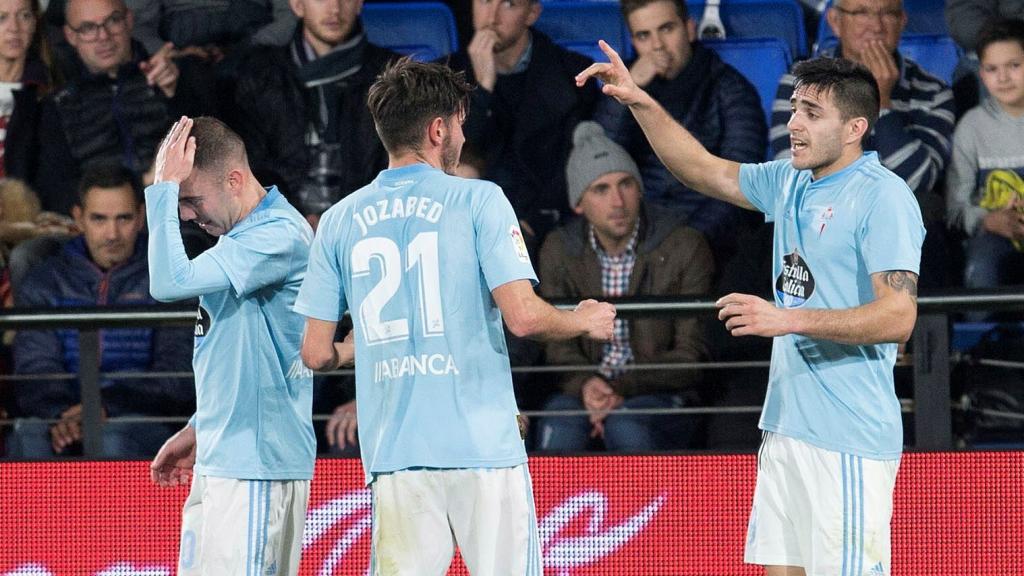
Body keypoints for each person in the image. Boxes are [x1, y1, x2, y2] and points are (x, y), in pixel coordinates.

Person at [578, 45, 923, 575]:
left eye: (812, 114)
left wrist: (787, 319)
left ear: (855, 127)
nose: (794, 125)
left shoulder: (884, 197)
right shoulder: (788, 182)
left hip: (849, 437)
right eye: (794, 110)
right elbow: (702, 171)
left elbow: (898, 316)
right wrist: (640, 102)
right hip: (787, 428)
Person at [295, 58, 615, 575]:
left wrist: (361, 347)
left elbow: (314, 353)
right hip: (481, 446)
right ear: (438, 128)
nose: (463, 138)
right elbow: (525, 319)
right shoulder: (479, 199)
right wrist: (584, 320)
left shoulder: (337, 219)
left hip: (395, 455)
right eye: (461, 124)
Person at [146, 116, 327, 575]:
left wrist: (161, 189)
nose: (186, 215)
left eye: (190, 200)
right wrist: (199, 427)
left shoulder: (277, 236)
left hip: (256, 465)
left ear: (234, 179)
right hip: (226, 457)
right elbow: (236, 352)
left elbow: (168, 282)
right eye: (180, 203)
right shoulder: (241, 241)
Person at [535, 121, 713, 452]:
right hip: (583, 390)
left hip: (659, 392)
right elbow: (555, 343)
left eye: (626, 184)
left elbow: (692, 353)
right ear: (578, 203)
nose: (617, 201)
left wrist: (620, 386)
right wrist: (588, 385)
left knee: (627, 426)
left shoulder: (684, 244)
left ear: (640, 189)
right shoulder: (559, 249)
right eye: (600, 189)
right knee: (559, 428)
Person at [7, 163, 194, 458]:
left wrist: (104, 407)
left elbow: (176, 375)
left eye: (123, 218)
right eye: (99, 219)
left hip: (139, 418)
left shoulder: (169, 276)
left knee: (113, 439)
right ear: (78, 218)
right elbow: (35, 369)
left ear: (141, 217)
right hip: (60, 416)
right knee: (29, 438)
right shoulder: (45, 280)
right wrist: (63, 414)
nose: (112, 234)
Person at [771, 0, 953, 287]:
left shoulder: (933, 91)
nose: (876, 25)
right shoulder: (798, 82)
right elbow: (793, 168)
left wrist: (882, 101)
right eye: (861, 12)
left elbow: (920, 180)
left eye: (887, 13)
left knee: (926, 215)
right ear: (834, 21)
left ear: (902, 20)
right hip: (818, 214)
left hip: (893, 220)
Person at [594, 0, 766, 259]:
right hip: (635, 234)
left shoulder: (730, 88)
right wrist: (630, 89)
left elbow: (741, 184)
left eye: (666, 29)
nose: (657, 45)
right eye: (643, 36)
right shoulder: (623, 85)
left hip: (709, 239)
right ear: (632, 41)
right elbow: (597, 161)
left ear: (689, 29)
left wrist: (688, 240)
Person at [445, 0, 600, 254]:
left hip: (550, 225)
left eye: (509, 4)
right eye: (484, 1)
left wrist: (533, 224)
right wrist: (482, 89)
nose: (491, 17)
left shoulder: (573, 74)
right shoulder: (442, 76)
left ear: (532, 13)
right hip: (471, 229)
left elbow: (576, 162)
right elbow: (454, 162)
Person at [229, 0, 398, 226]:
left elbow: (399, 162)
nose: (335, 8)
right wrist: (293, 220)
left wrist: (350, 220)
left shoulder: (392, 76)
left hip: (368, 222)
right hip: (280, 225)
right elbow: (251, 165)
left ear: (359, 4)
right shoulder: (262, 75)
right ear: (297, 5)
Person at [33, 0, 209, 217]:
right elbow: (55, 190)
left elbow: (216, 150)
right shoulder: (58, 105)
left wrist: (177, 93)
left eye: (113, 21)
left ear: (128, 20)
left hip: (179, 216)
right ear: (70, 36)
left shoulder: (177, 74)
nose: (103, 36)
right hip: (97, 227)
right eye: (88, 28)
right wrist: (139, 186)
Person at [947, 18, 1024, 289]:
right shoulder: (971, 127)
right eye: (992, 69)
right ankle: (980, 332)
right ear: (981, 74)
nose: (1003, 78)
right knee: (980, 268)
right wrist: (988, 220)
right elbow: (955, 210)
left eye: (1014, 66)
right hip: (993, 238)